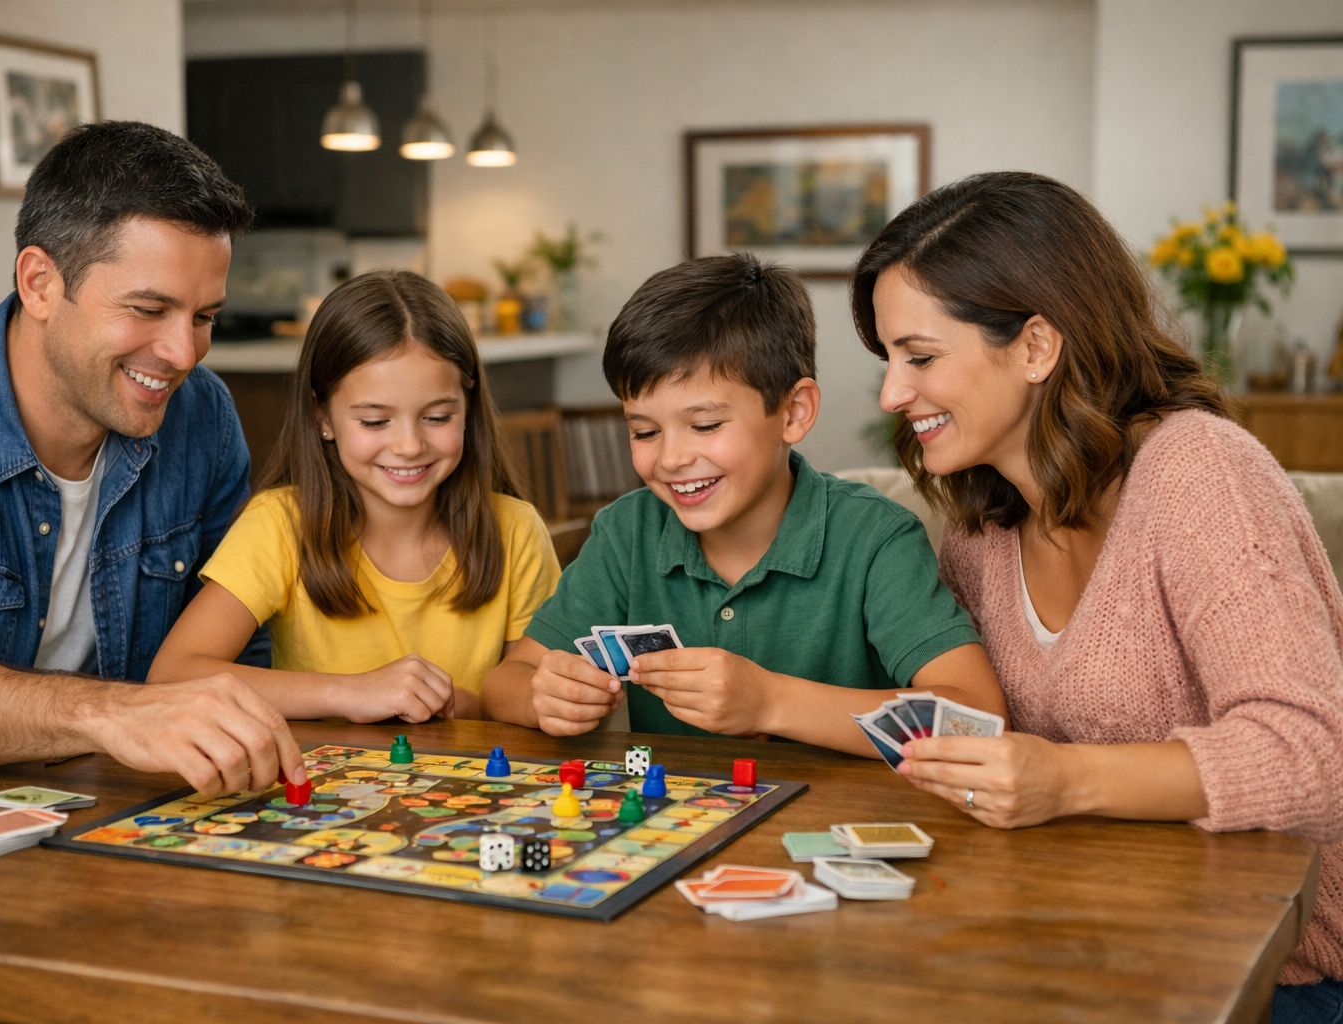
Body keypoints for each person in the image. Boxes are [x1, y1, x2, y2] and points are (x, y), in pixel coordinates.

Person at [857, 170, 1343, 1017]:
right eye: (889, 360)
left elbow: (1313, 754)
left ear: (1038, 346)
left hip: (1283, 967)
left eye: (920, 357)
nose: (893, 395)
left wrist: (1065, 778)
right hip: (1099, 934)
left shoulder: (1200, 471)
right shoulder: (981, 526)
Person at [0, 121, 307, 797]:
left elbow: (233, 658)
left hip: (107, 815)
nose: (184, 355)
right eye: (149, 308)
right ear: (40, 282)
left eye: (203, 317)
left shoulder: (203, 418)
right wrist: (110, 714)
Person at [481, 253, 1006, 751]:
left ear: (794, 412)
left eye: (705, 425)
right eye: (643, 431)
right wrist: (542, 696)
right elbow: (505, 683)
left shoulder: (874, 538)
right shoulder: (627, 533)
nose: (670, 458)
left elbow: (975, 718)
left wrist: (771, 703)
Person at [148, 270, 561, 722]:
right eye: (374, 421)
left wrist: (471, 706)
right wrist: (351, 693)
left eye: (438, 417)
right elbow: (173, 676)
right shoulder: (281, 524)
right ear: (321, 416)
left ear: (468, 410)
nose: (408, 445)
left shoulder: (515, 530)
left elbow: (529, 693)